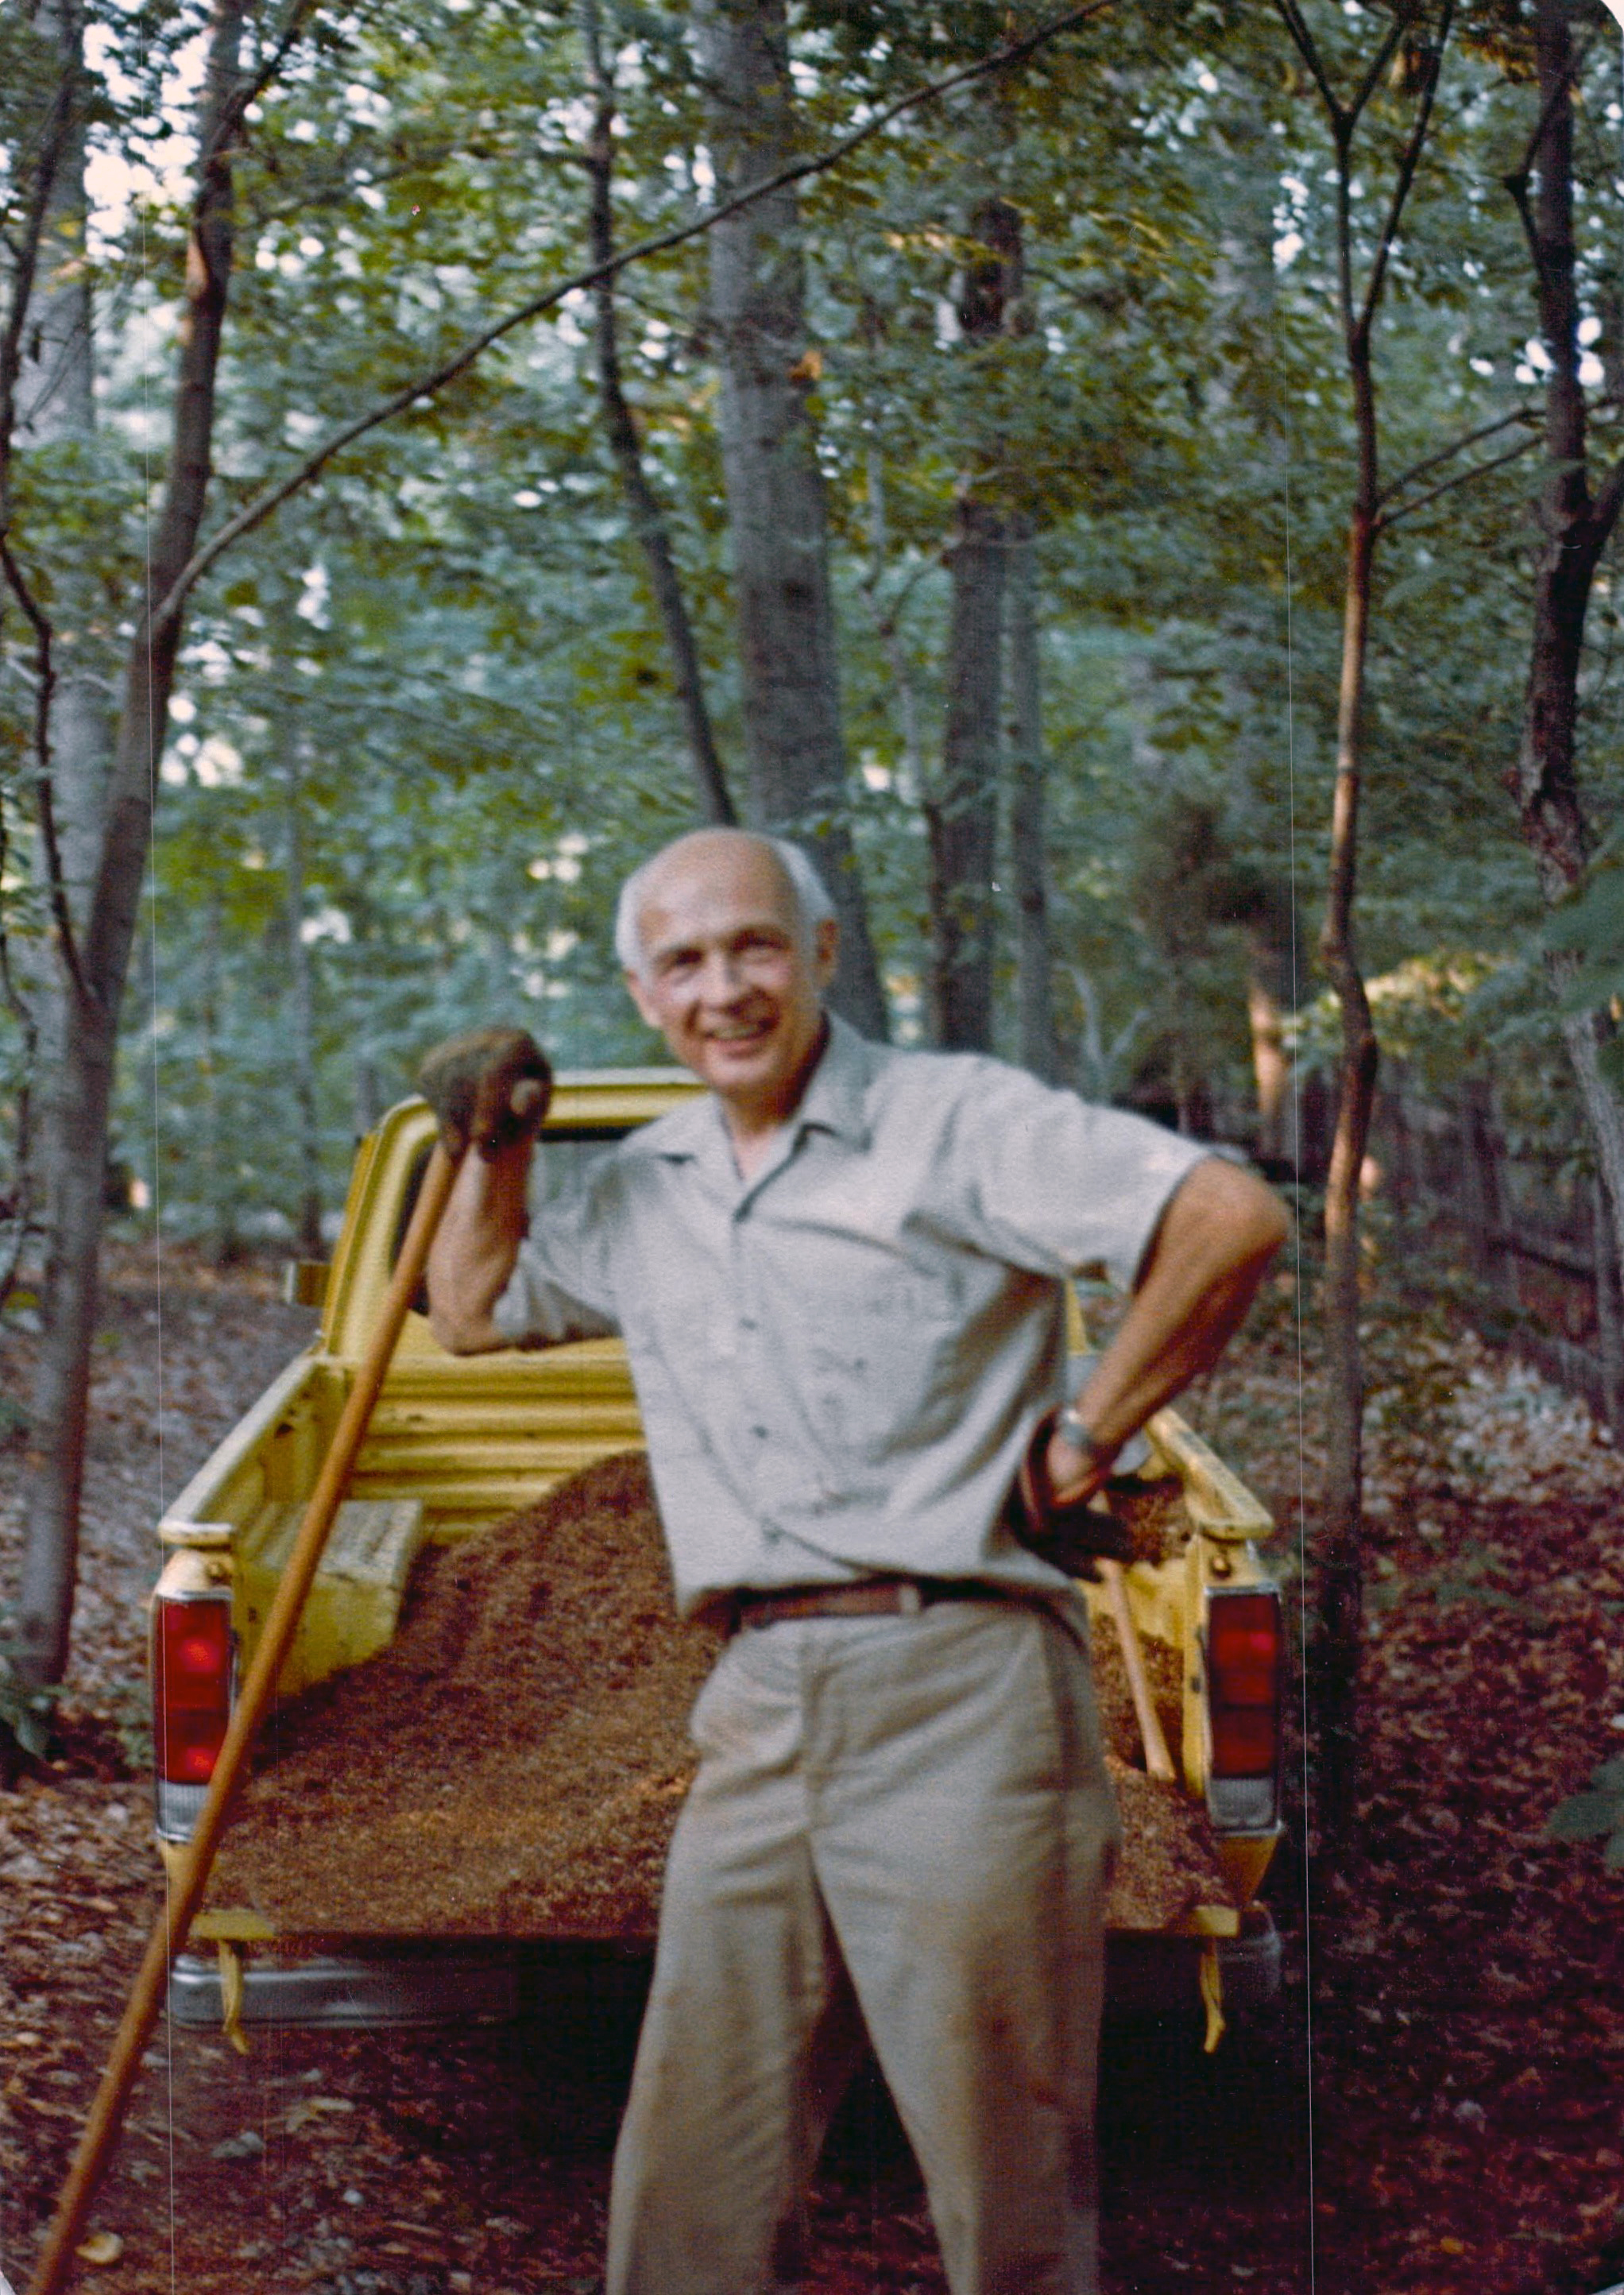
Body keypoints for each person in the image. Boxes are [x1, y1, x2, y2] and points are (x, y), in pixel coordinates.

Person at [420, 826, 1287, 2295]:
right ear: (642, 994)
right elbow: (465, 1310)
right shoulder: (647, 1185)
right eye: (683, 962)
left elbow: (1229, 1216)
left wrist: (1082, 1437)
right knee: (690, 2181)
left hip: (964, 1687)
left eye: (756, 946)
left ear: (823, 954)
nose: (724, 988)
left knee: (1001, 2178)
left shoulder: (955, 1123)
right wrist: (489, 1148)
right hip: (757, 1705)